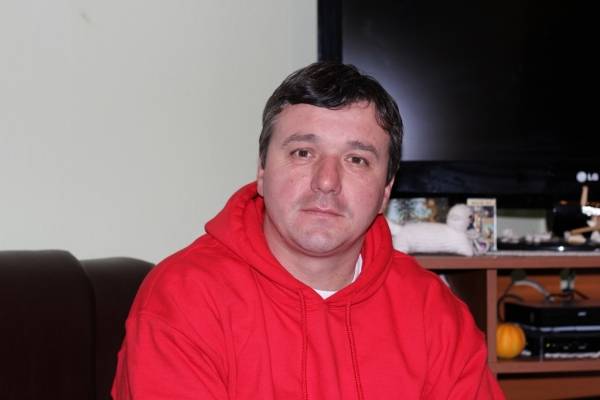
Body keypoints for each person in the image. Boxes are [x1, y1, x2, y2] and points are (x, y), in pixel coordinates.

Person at [112, 62, 505, 399]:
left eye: (356, 159)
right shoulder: (184, 299)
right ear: (262, 170)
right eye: (303, 152)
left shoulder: (434, 313)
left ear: (386, 190)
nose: (327, 181)